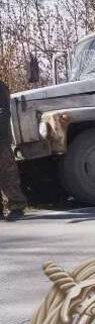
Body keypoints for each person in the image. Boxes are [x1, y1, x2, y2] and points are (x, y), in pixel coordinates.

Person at [0, 78, 27, 221]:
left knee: (7, 173)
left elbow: (3, 112)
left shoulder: (0, 87)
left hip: (1, 139)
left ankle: (16, 206)